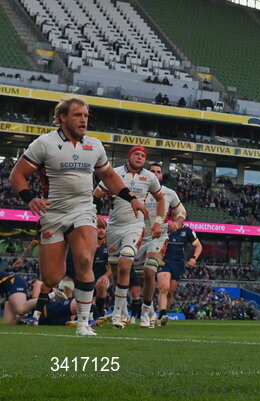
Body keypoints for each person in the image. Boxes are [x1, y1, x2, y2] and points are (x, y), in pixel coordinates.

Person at [8, 97, 147, 336]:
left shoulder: (94, 145)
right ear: (62, 117)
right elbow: (17, 175)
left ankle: (83, 323)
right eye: (78, 115)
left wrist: (131, 197)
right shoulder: (44, 143)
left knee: (84, 260)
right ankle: (57, 293)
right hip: (53, 213)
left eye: (86, 115)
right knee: (52, 277)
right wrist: (30, 198)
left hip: (84, 209)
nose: (84, 119)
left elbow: (110, 177)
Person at [94, 144, 165, 329]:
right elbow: (97, 194)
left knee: (126, 264)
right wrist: (96, 213)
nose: (140, 157)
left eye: (143, 155)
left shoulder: (149, 177)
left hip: (135, 226)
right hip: (114, 227)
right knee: (118, 273)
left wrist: (158, 221)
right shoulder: (114, 173)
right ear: (129, 156)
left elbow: (160, 198)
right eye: (137, 154)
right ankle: (123, 311)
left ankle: (117, 315)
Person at [137, 160, 186, 328]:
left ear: (161, 176)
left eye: (158, 172)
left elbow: (181, 212)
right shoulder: (139, 190)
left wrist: (177, 223)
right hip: (138, 235)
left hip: (159, 237)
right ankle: (150, 311)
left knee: (149, 272)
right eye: (152, 171)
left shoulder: (169, 193)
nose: (155, 174)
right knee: (140, 278)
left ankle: (145, 312)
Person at [156, 216, 201, 325]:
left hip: (178, 264)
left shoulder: (187, 231)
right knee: (164, 288)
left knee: (170, 292)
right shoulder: (165, 228)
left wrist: (194, 258)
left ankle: (164, 315)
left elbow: (198, 245)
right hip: (164, 262)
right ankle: (161, 314)